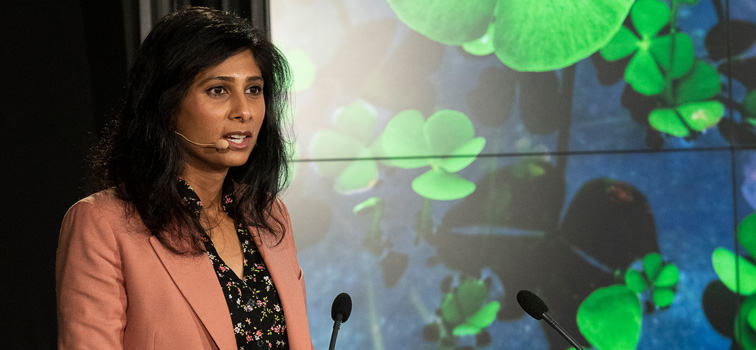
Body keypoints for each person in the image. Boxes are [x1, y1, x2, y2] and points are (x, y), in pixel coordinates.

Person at [56, 7, 312, 350]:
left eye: (254, 89)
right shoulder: (102, 223)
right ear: (166, 104)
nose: (245, 111)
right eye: (218, 90)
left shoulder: (268, 213)